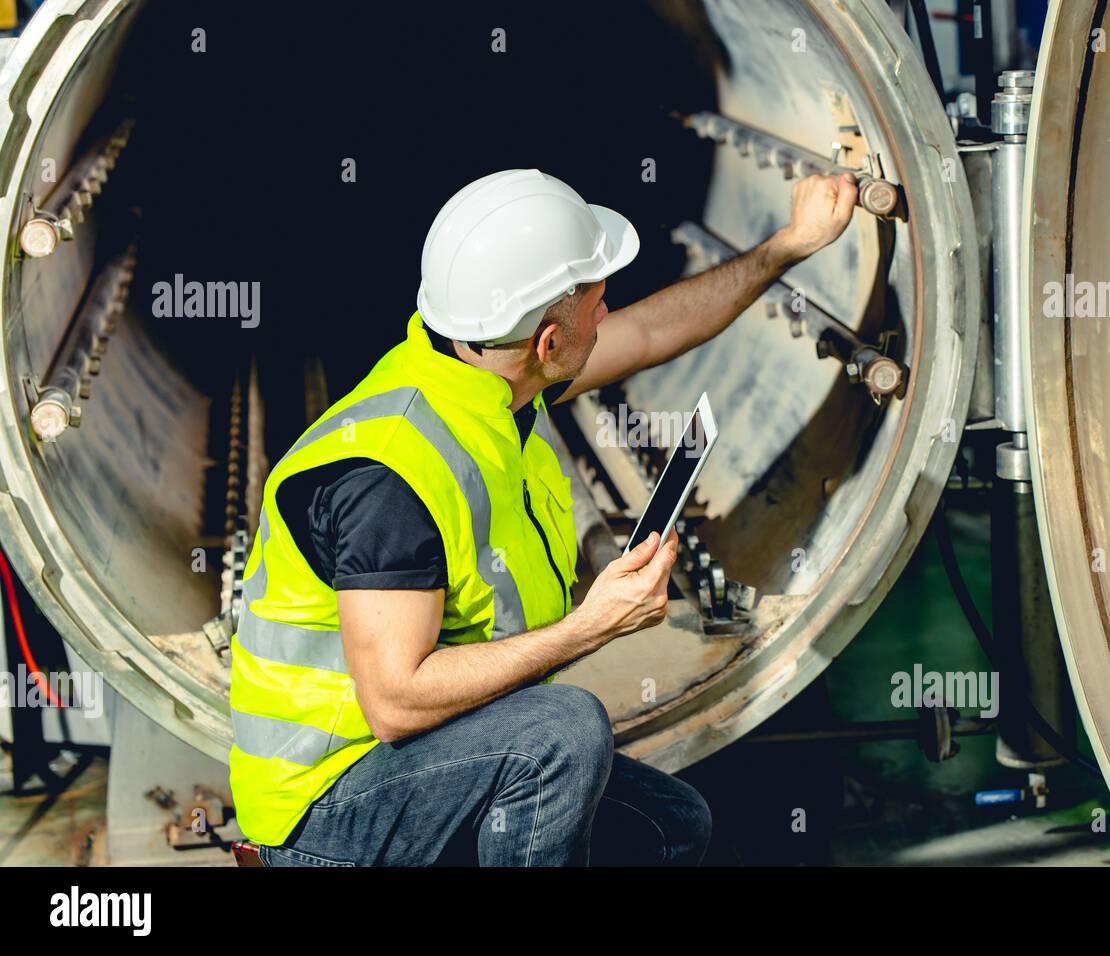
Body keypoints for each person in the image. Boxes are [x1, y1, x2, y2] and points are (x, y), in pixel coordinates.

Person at [229, 167, 859, 866]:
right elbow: (397, 702)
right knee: (560, 731)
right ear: (547, 344)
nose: (608, 310)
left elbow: (652, 330)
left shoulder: (484, 381)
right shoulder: (389, 476)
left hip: (411, 763)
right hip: (323, 817)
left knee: (672, 825)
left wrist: (786, 248)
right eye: (594, 299)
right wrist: (593, 624)